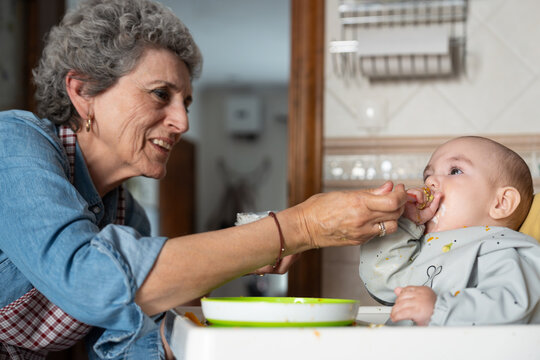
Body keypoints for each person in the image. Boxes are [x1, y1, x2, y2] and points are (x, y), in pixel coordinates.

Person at [0, 0, 408, 358]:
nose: (182, 122)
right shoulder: (13, 143)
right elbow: (88, 278)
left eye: (186, 102)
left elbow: (122, 348)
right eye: (161, 94)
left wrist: (218, 338)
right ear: (82, 90)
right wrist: (299, 227)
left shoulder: (128, 217)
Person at [359, 136, 540, 326]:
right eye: (427, 176)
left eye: (455, 171)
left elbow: (513, 306)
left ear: (501, 203)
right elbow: (383, 281)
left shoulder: (501, 248)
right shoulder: (423, 247)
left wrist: (440, 309)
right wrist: (406, 223)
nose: (430, 182)